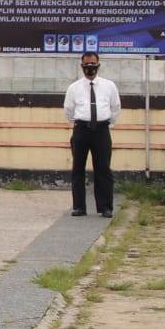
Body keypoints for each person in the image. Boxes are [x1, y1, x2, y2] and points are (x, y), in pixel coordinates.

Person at [63, 51, 120, 217]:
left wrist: (108, 124)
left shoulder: (109, 86)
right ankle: (79, 207)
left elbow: (115, 107)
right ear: (81, 66)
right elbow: (69, 110)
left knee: (103, 169)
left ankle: (105, 207)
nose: (90, 67)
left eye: (93, 64)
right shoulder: (74, 88)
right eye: (86, 64)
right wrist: (79, 123)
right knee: (78, 169)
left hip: (101, 130)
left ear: (98, 65)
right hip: (81, 130)